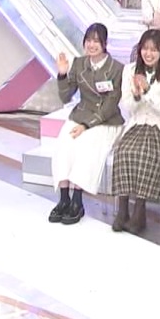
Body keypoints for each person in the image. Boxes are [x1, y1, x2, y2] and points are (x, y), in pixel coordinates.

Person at [49, 23, 125, 225]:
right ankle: (63, 199)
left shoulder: (117, 69)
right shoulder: (79, 63)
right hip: (81, 114)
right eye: (88, 40)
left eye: (96, 41)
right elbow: (66, 96)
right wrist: (62, 74)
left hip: (105, 121)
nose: (92, 45)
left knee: (87, 144)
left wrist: (86, 125)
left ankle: (77, 201)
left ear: (105, 43)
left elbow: (110, 105)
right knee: (64, 144)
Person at [109, 29, 160, 234]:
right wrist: (136, 95)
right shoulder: (129, 70)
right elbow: (127, 106)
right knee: (124, 152)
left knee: (146, 154)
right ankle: (122, 209)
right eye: (145, 49)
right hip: (137, 122)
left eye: (153, 50)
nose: (148, 54)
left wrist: (147, 90)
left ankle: (139, 210)